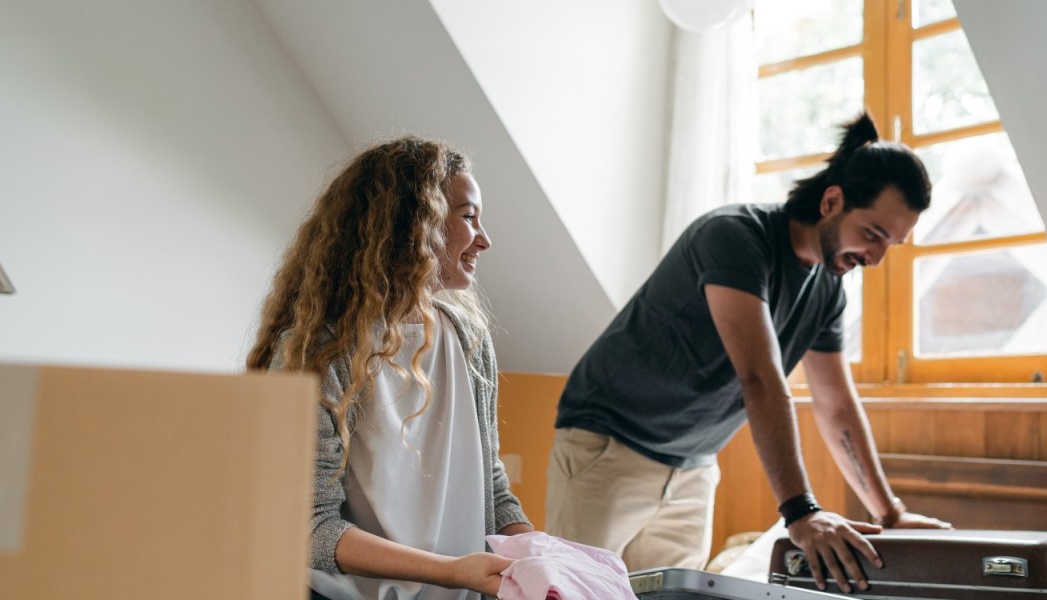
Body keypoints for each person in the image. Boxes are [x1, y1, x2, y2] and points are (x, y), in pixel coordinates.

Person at [545, 113, 952, 594]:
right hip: (608, 448)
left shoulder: (828, 290)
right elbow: (760, 377)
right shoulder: (736, 237)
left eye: (893, 244)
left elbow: (836, 405)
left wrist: (891, 513)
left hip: (694, 465)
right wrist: (801, 512)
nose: (877, 258)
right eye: (873, 234)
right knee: (569, 591)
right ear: (832, 201)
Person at [246, 136, 533, 600]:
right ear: (415, 222)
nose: (485, 239)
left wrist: (539, 553)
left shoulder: (468, 340)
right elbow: (308, 526)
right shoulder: (319, 353)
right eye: (468, 216)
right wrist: (453, 571)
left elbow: (492, 486)